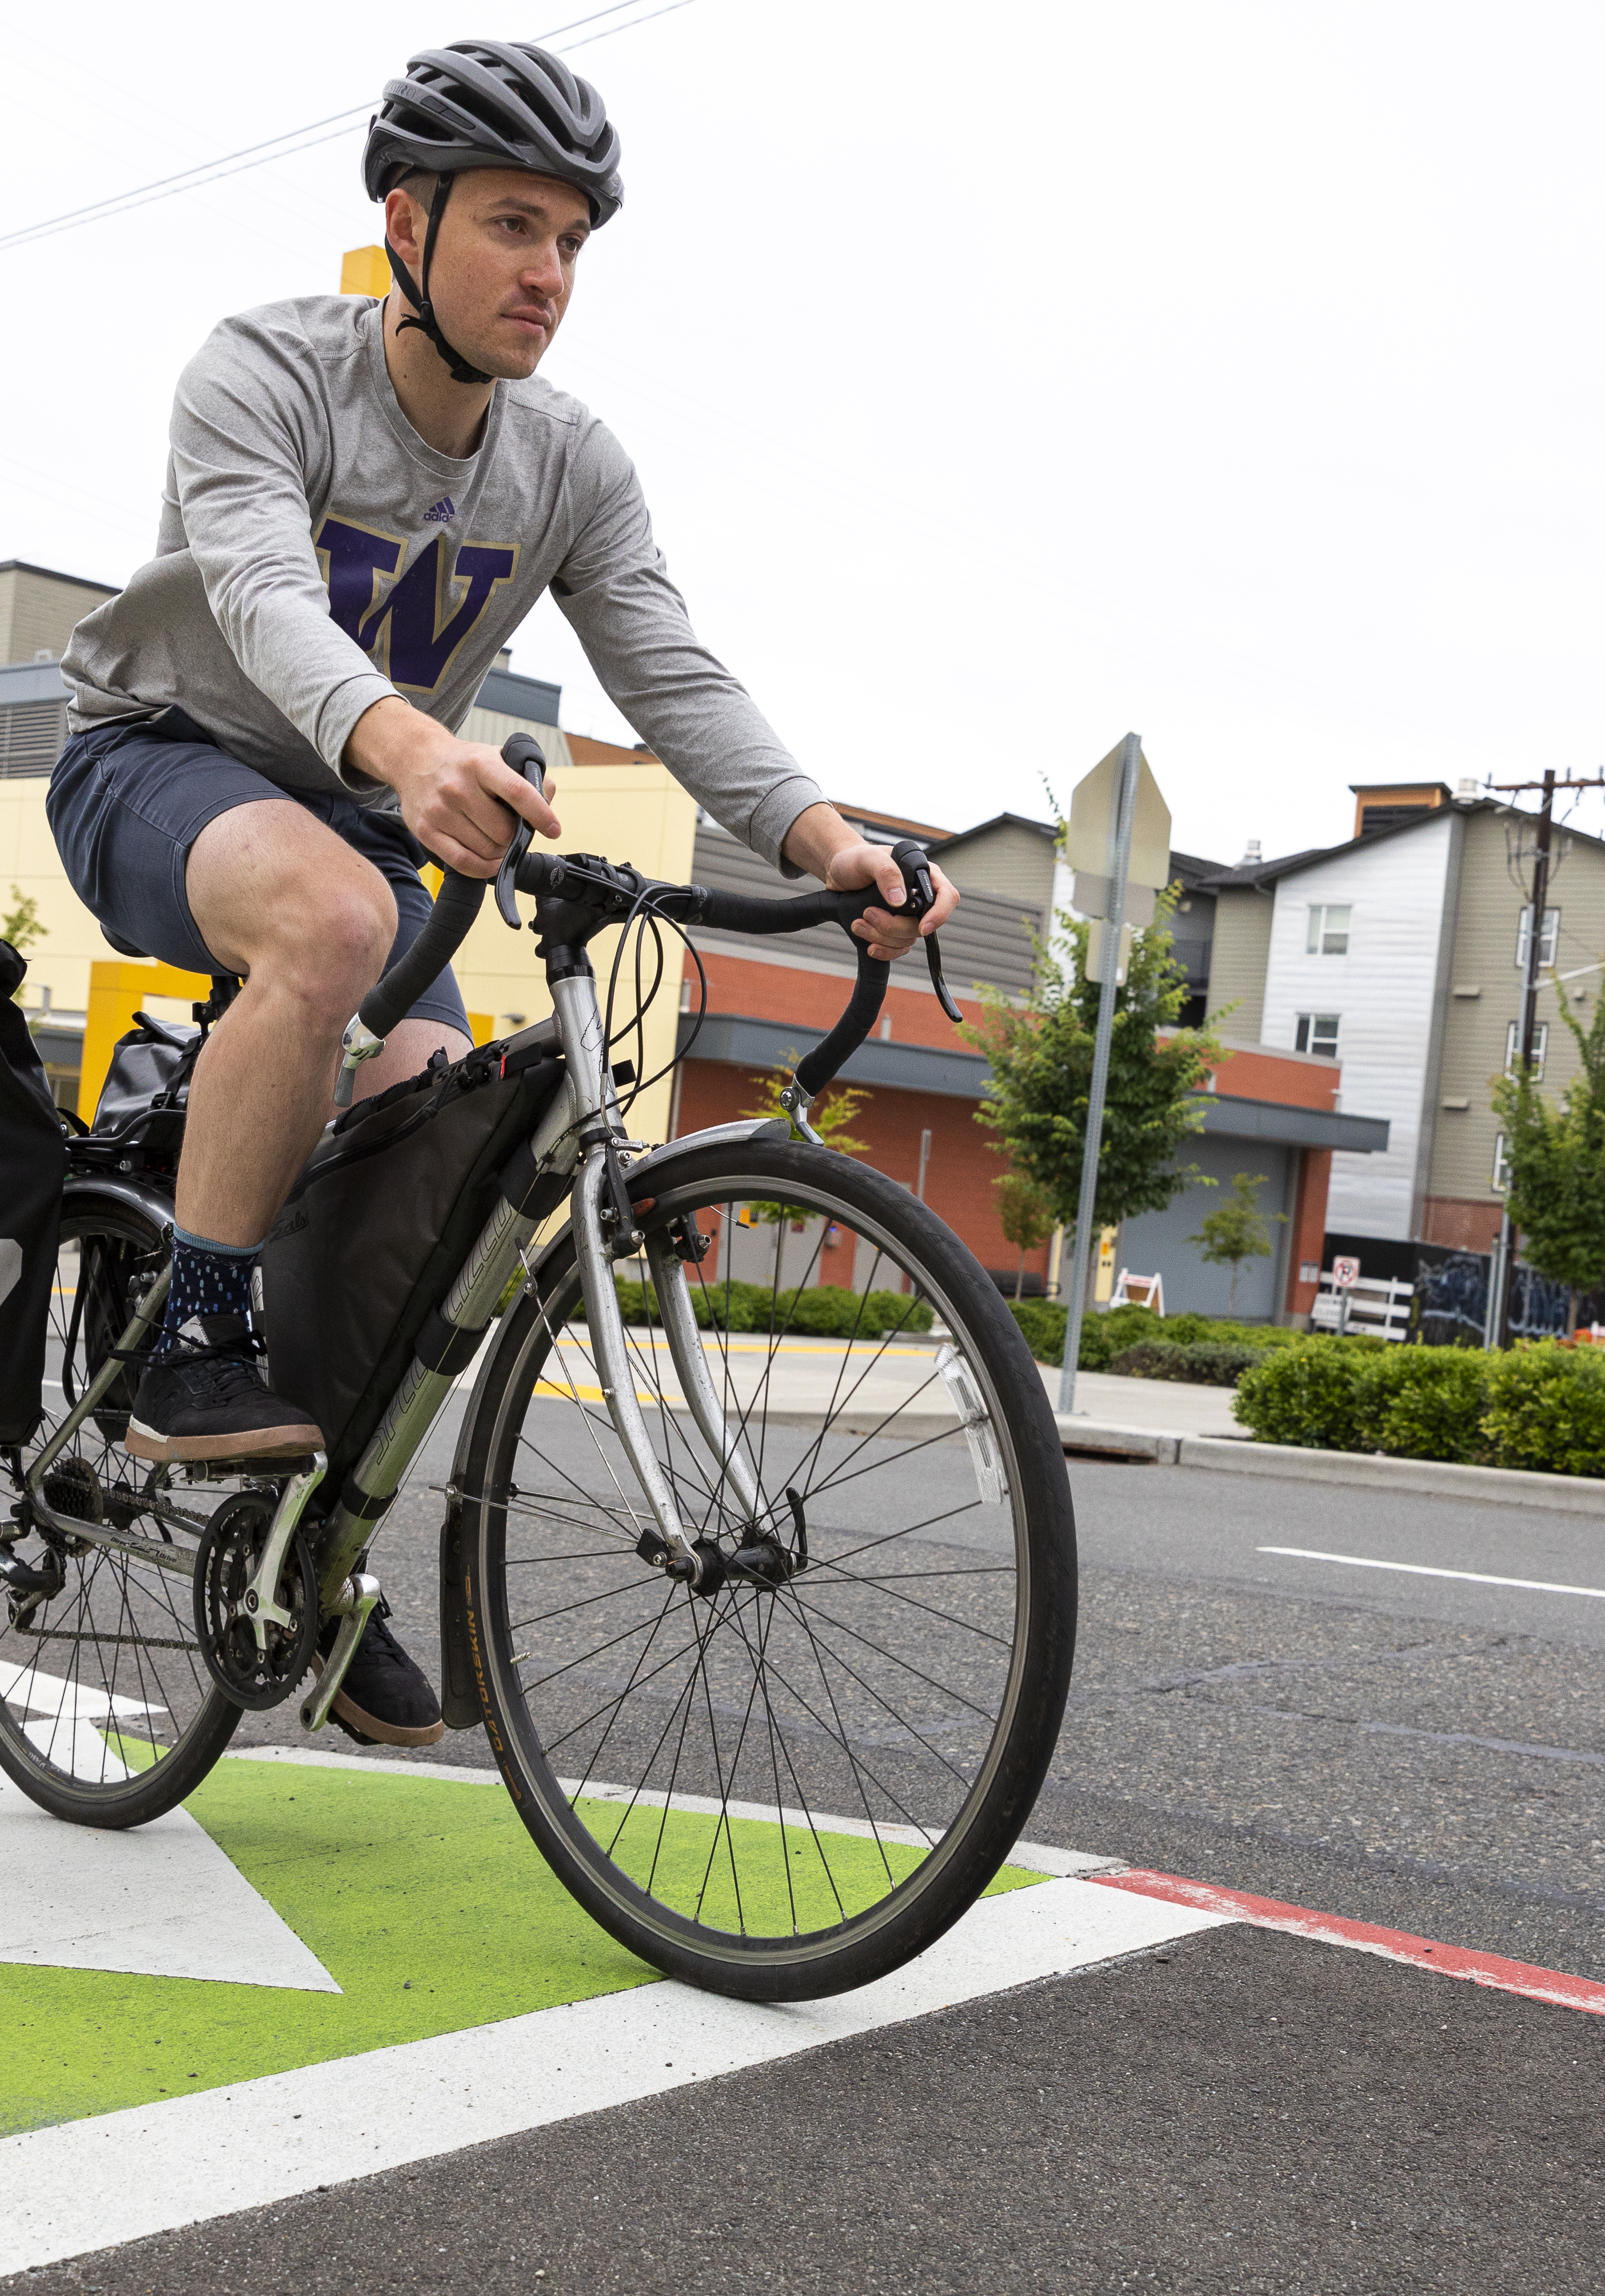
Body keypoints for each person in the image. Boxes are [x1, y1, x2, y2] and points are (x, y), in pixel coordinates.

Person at [46, 38, 953, 1745]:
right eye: (513, 227)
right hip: (161, 763)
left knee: (432, 1145)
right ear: (408, 218)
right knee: (329, 922)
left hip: (370, 807)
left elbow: (670, 673)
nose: (548, 274)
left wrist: (828, 841)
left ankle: (301, 1554)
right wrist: (403, 747)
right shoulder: (262, 374)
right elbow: (256, 596)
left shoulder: (568, 462)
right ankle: (191, 1333)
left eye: (574, 244)